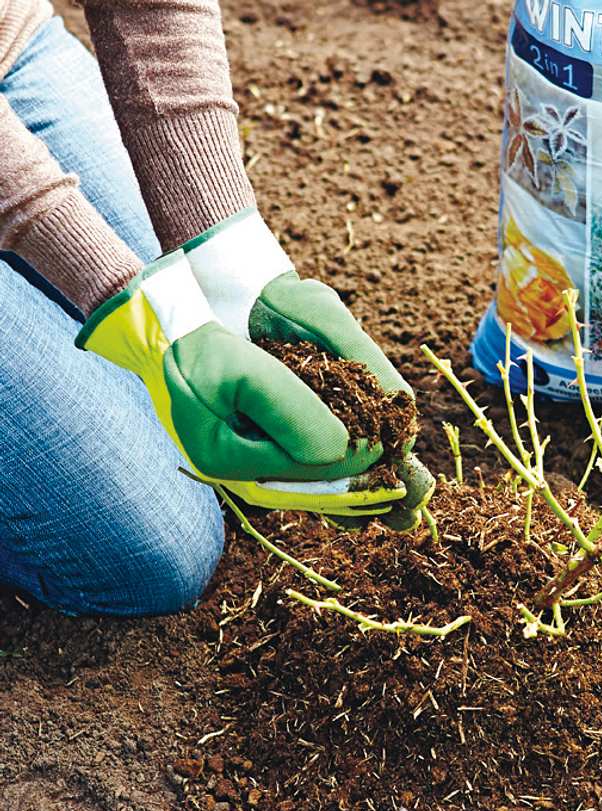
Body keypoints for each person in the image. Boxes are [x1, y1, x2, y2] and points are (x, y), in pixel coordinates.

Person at [0, 0, 430, 618]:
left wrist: (230, 260)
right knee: (154, 553)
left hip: (12, 50)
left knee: (198, 414)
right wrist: (150, 323)